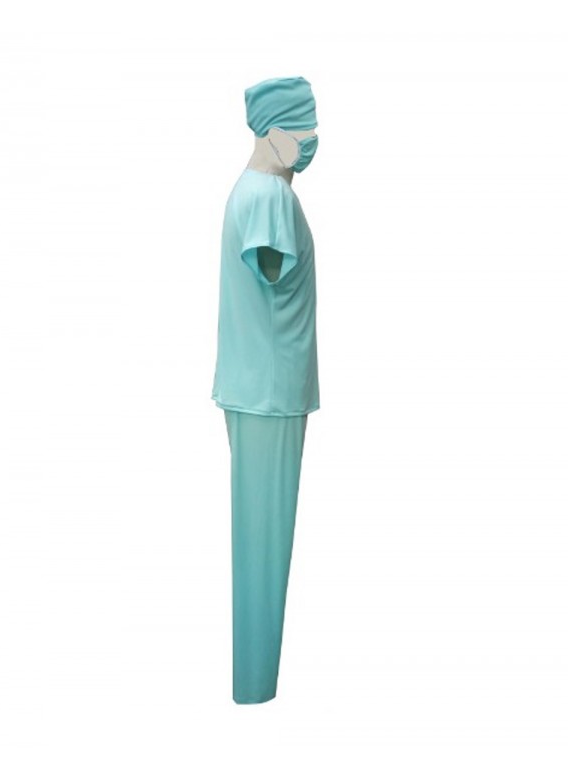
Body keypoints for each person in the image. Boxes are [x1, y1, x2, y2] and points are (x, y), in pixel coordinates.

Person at [211, 76, 321, 704]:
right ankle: (253, 691)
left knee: (261, 545)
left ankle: (254, 685)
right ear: (273, 132)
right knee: (263, 547)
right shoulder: (269, 197)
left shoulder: (254, 191)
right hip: (270, 391)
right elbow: (272, 270)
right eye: (305, 130)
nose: (311, 143)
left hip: (258, 386)